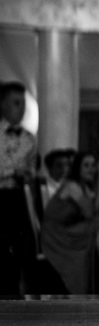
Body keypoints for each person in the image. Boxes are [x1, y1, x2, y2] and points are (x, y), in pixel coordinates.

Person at [39, 151, 99, 294]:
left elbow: (97, 210)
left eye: (93, 165)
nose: (91, 169)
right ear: (78, 168)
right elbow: (90, 213)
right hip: (56, 233)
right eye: (86, 165)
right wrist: (98, 186)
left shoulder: (84, 186)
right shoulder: (72, 186)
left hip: (69, 227)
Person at [0, 81, 38, 295]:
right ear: (3, 104)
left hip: (18, 199)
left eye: (23, 103)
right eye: (16, 103)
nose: (21, 108)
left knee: (19, 253)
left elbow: (31, 172)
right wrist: (13, 172)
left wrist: (26, 176)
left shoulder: (29, 139)